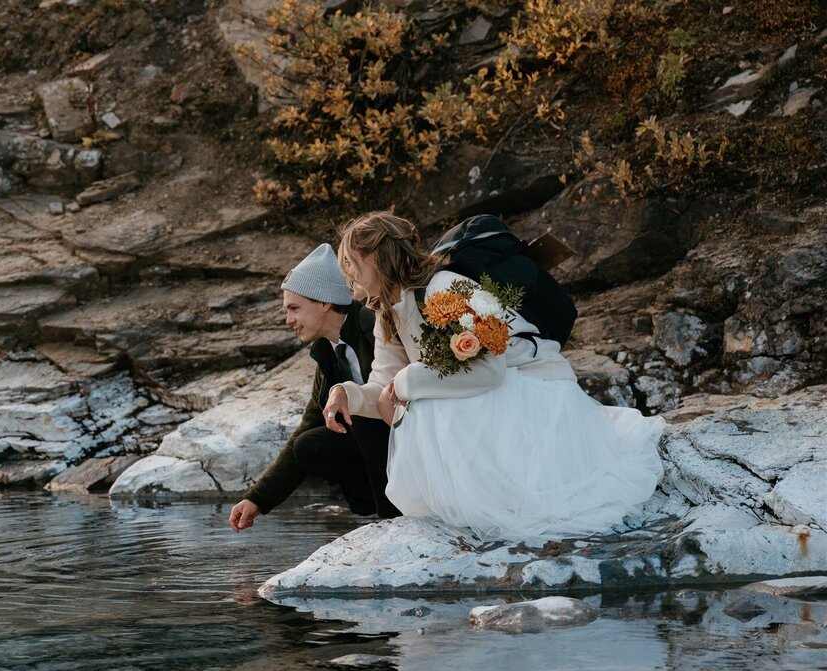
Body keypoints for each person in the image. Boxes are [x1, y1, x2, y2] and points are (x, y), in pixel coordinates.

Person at [322, 211, 664, 541]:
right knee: (422, 397)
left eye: (350, 262)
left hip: (536, 391)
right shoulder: (388, 313)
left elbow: (488, 370)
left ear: (376, 257)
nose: (346, 274)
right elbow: (383, 385)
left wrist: (406, 382)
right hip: (495, 398)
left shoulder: (444, 287)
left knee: (427, 403)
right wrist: (345, 394)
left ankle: (493, 502)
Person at [229, 243, 400, 532]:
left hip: (411, 438)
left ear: (324, 302)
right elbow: (310, 422)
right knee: (309, 445)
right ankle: (376, 508)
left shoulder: (372, 324)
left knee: (360, 414)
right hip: (381, 446)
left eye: (294, 308)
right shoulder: (327, 351)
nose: (289, 320)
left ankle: (395, 511)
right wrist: (257, 499)